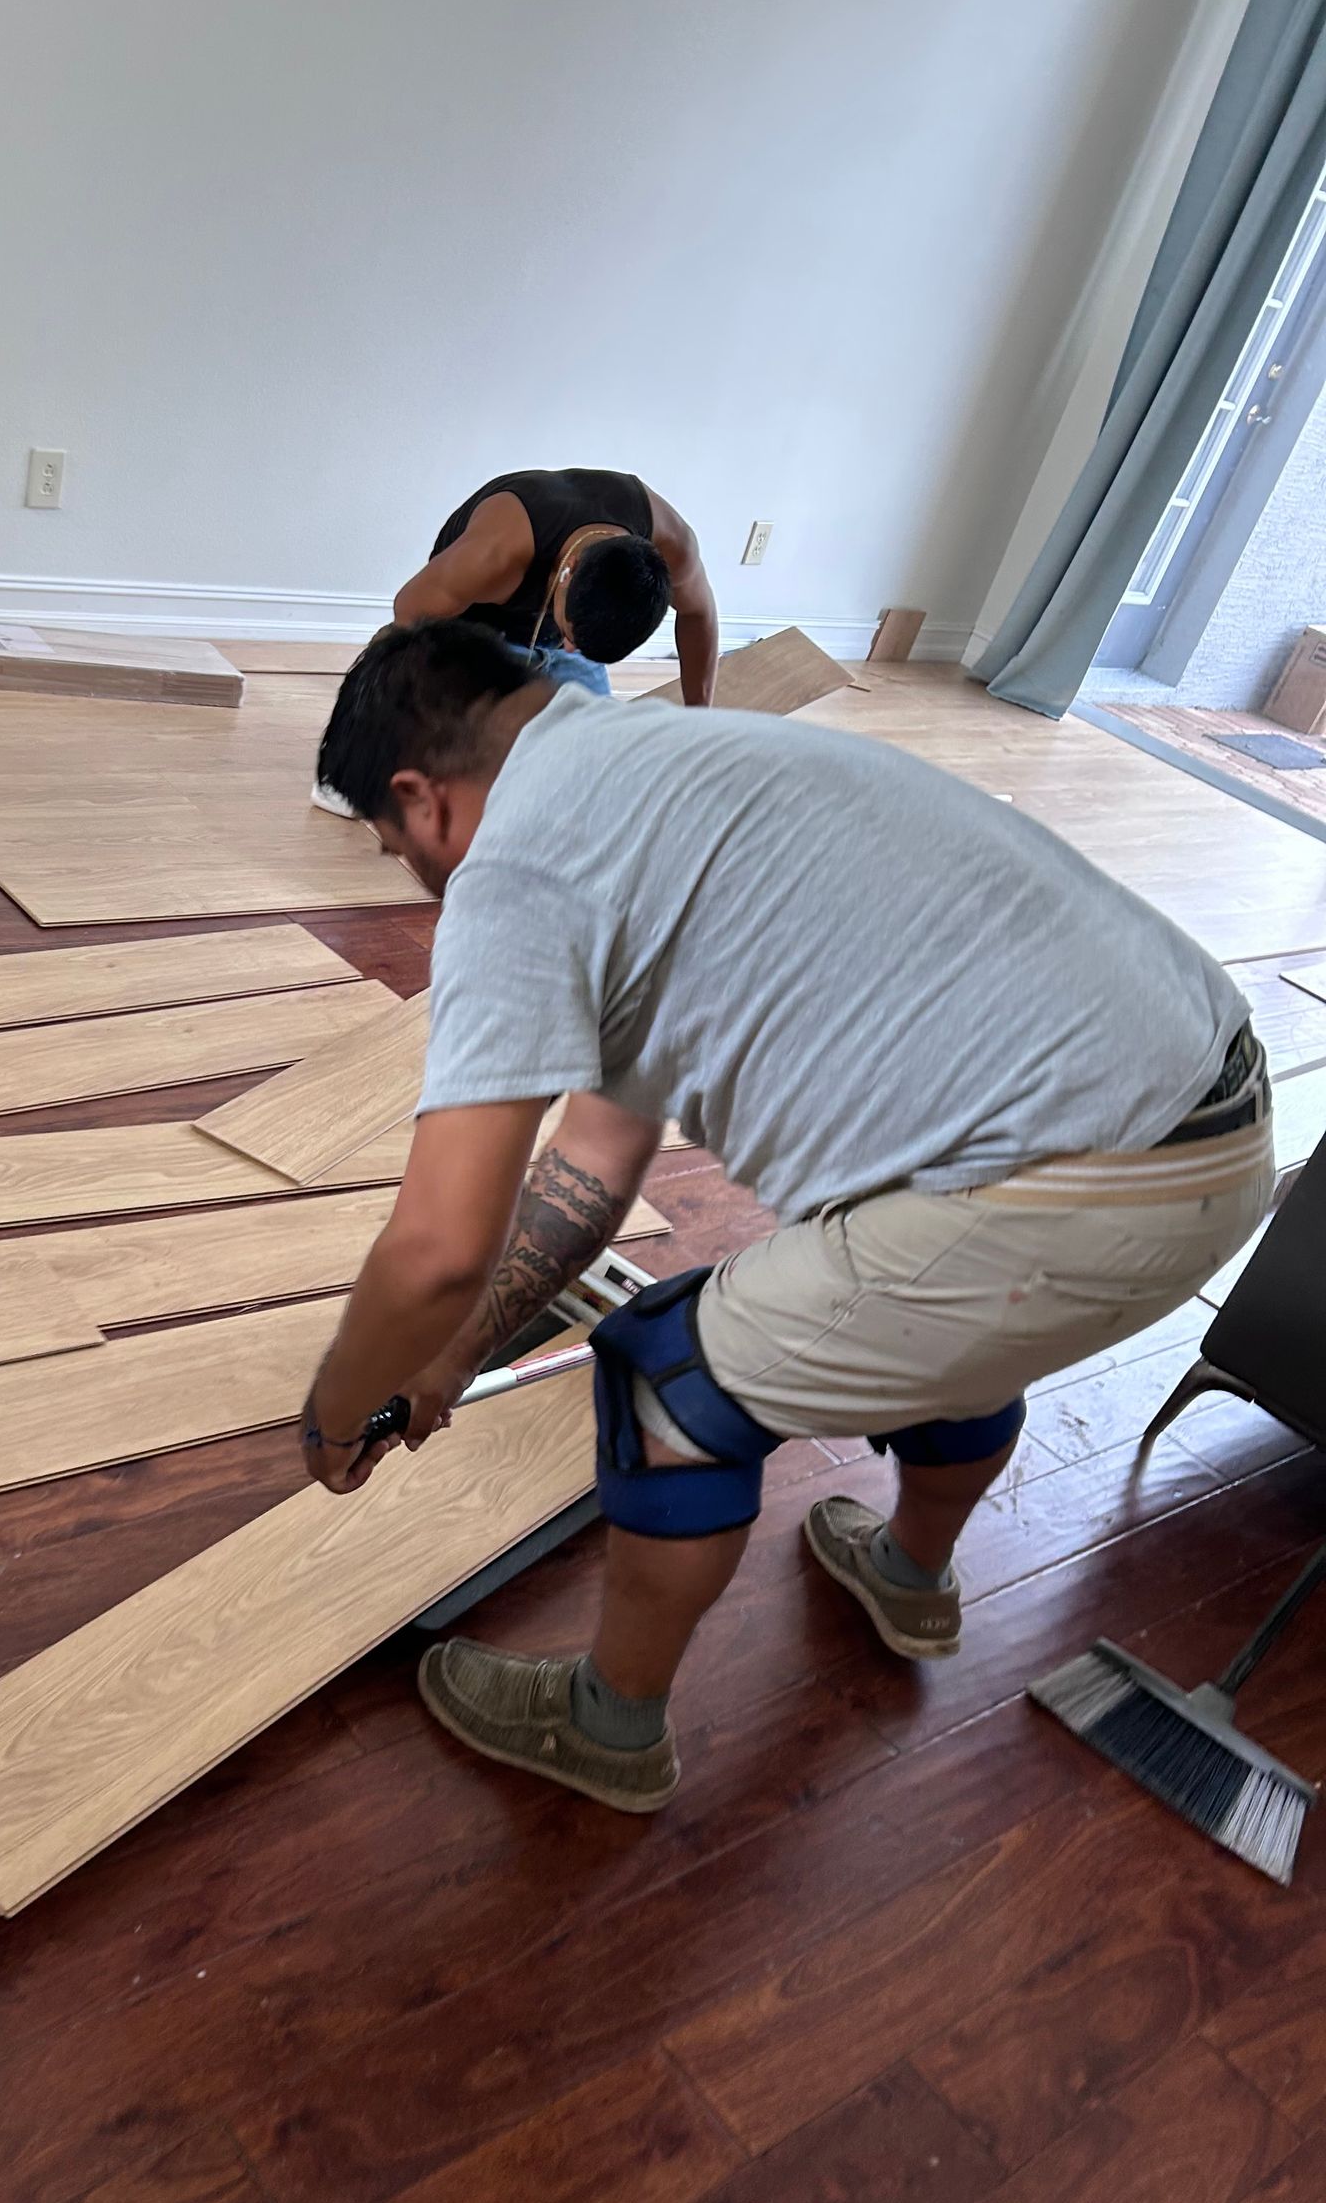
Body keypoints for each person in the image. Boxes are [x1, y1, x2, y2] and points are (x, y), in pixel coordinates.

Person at [297, 621, 1273, 1814]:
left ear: (421, 799)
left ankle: (608, 1726)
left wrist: (340, 1409)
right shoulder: (664, 765)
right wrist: (446, 1362)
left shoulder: (516, 865)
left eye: (403, 852)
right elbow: (592, 1170)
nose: (425, 879)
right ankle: (910, 1575)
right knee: (951, 1294)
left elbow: (441, 1246)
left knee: (666, 1375)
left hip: (1078, 1194)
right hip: (1217, 1128)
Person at [394, 467, 718, 703]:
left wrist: (699, 714)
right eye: (570, 636)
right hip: (478, 630)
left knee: (597, 746)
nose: (569, 649)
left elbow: (698, 614)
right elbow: (408, 611)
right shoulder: (497, 556)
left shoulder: (672, 544)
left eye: (576, 644)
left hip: (569, 615)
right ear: (568, 571)